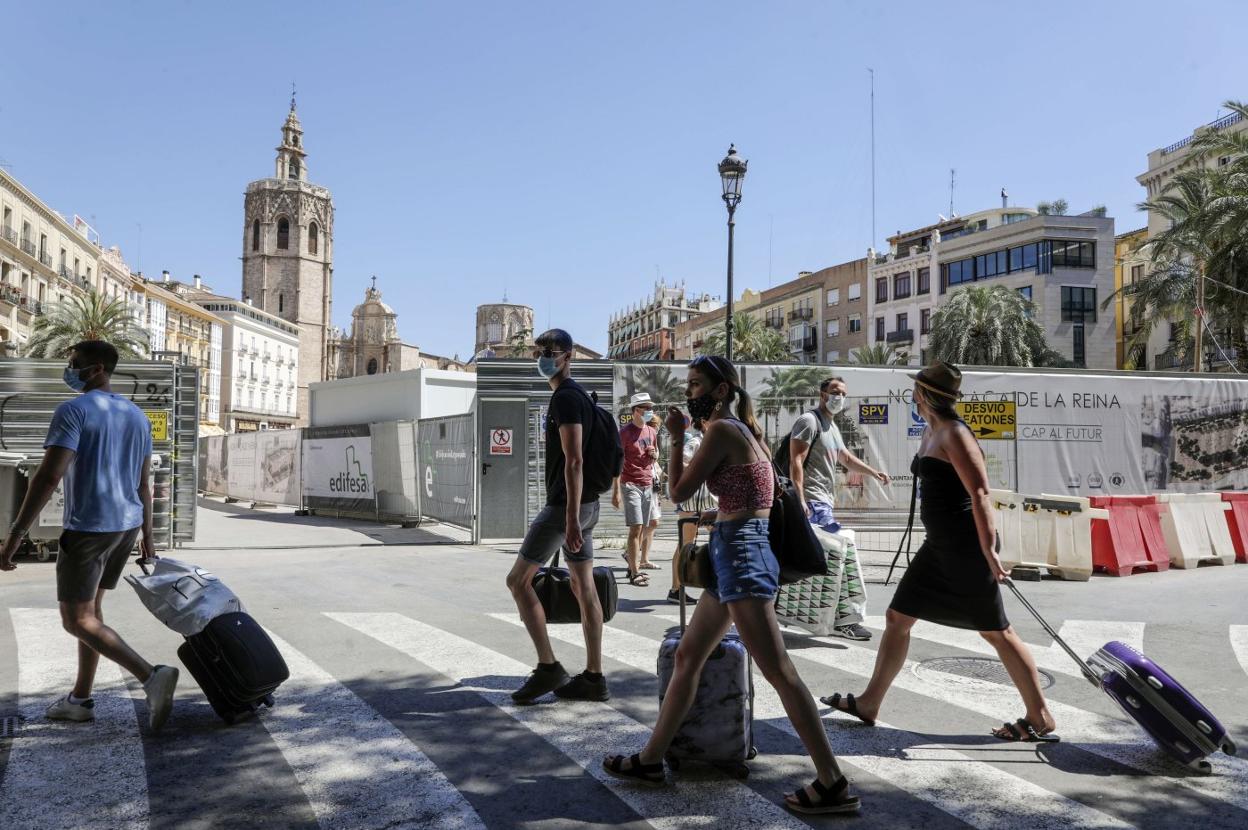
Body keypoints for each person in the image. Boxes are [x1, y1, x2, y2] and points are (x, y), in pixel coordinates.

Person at [604, 355, 859, 816]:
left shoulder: (723, 431)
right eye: (689, 385)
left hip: (741, 556)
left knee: (780, 669)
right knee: (688, 656)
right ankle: (650, 760)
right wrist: (716, 515)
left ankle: (832, 781)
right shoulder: (745, 430)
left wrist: (678, 438)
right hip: (733, 551)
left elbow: (678, 491)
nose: (690, 393)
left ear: (721, 390)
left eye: (697, 385)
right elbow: (747, 497)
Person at [820, 361, 1058, 744]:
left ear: (924, 394)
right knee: (898, 617)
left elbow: (980, 493)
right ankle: (869, 703)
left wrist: (988, 549)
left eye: (916, 389)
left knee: (996, 630)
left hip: (965, 545)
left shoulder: (954, 433)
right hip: (939, 546)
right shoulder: (933, 430)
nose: (912, 394)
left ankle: (1040, 715)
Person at [0, 340, 179, 731]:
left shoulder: (73, 410)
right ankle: (80, 699)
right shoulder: (137, 416)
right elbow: (144, 484)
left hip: (90, 527)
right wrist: (149, 536)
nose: (70, 369)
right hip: (126, 524)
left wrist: (14, 536)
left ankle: (151, 676)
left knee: (76, 619)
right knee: (93, 614)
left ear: (97, 368)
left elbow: (49, 476)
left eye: (75, 363)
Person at [505, 329, 609, 704]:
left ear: (568, 356)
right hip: (586, 505)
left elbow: (575, 459)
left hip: (567, 506)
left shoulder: (566, 397)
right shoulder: (577, 395)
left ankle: (548, 667)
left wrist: (568, 520)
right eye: (540, 350)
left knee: (518, 581)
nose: (543, 356)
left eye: (551, 351)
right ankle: (594, 677)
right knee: (583, 587)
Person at [789, 376, 890, 641]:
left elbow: (845, 458)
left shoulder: (831, 426)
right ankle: (845, 620)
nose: (839, 397)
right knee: (838, 561)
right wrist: (800, 499)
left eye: (843, 393)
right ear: (822, 394)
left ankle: (812, 615)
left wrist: (873, 472)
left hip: (823, 502)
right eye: (835, 392)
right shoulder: (809, 421)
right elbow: (796, 460)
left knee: (825, 563)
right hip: (813, 502)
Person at [611, 392, 659, 587]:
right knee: (636, 527)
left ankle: (632, 566)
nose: (649, 411)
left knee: (644, 528)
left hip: (647, 483)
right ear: (635, 411)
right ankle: (635, 572)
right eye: (645, 408)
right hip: (630, 484)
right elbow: (616, 461)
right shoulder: (624, 433)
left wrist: (654, 455)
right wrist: (615, 491)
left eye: (650, 408)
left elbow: (654, 456)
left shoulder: (652, 432)